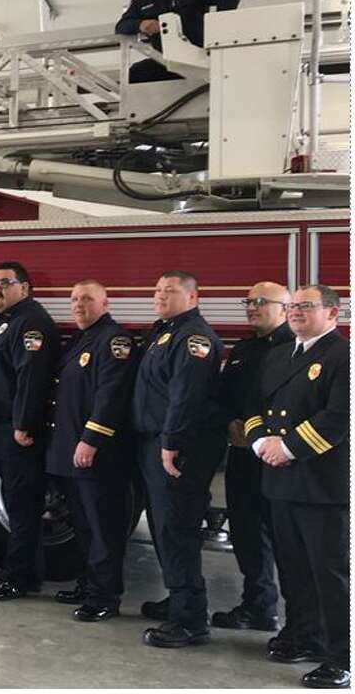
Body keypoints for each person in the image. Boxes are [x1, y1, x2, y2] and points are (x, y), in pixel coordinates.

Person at [246, 284, 348, 688]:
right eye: (292, 307)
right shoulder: (279, 355)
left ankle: (342, 655)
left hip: (321, 484)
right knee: (293, 569)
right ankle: (304, 634)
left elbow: (340, 417)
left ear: (333, 314)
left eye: (307, 306)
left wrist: (287, 447)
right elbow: (255, 406)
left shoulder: (343, 356)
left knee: (331, 573)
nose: (296, 312)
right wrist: (259, 442)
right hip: (280, 481)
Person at [133, 271, 225, 648]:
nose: (160, 296)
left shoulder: (194, 338)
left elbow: (186, 396)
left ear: (193, 297)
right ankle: (179, 598)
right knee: (163, 528)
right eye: (156, 289)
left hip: (177, 448)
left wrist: (170, 442)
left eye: (170, 291)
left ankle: (190, 621)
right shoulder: (167, 330)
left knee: (177, 529)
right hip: (157, 443)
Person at [45, 281, 136, 622]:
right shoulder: (82, 339)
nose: (78, 305)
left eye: (86, 299)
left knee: (103, 528)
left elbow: (110, 397)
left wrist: (91, 440)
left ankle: (105, 596)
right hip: (71, 451)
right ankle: (88, 584)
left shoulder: (114, 341)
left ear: (105, 302)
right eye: (73, 299)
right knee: (83, 525)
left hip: (97, 454)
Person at [0, 262, 60, 602]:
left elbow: (31, 378)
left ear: (24, 288)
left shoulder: (31, 323)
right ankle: (24, 572)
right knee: (14, 502)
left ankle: (18, 578)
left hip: (15, 430)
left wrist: (23, 424)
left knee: (22, 507)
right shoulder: (6, 322)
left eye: (4, 283)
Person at [212, 283, 293, 632]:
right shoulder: (244, 348)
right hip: (243, 454)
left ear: (286, 308)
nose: (252, 307)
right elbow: (226, 392)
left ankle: (301, 620)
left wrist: (262, 433)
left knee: (286, 538)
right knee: (246, 531)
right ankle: (258, 605)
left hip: (281, 458)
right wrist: (230, 421)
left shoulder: (295, 347)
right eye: (249, 302)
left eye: (261, 302)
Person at [115, 0, 240, 83]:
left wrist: (217, 37)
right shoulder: (143, 0)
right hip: (165, 61)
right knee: (131, 76)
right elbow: (121, 26)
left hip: (197, 59)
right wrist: (141, 24)